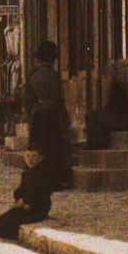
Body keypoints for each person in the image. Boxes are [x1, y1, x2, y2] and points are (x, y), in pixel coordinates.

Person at [25, 40, 74, 191]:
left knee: (37, 147)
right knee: (53, 147)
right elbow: (59, 97)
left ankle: (36, 178)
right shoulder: (54, 75)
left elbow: (28, 99)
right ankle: (56, 179)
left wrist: (29, 115)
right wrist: (64, 116)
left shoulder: (33, 75)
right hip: (53, 114)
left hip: (38, 113)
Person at [0, 146, 54, 241]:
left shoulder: (43, 174)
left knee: (15, 218)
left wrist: (27, 201)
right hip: (26, 205)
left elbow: (40, 192)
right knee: (5, 216)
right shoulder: (27, 173)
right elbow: (21, 189)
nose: (30, 160)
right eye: (28, 156)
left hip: (38, 208)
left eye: (34, 156)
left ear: (40, 158)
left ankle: (7, 234)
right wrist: (19, 198)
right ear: (24, 157)